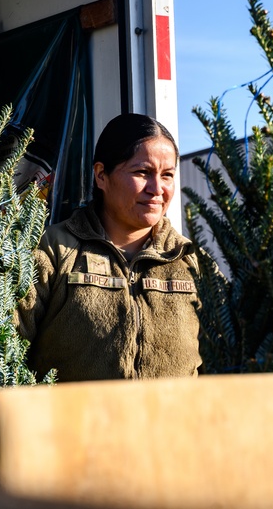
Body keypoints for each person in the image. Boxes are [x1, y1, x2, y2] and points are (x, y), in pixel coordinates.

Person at [17, 113, 203, 381]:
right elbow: (4, 350)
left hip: (175, 424)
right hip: (72, 424)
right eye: (143, 172)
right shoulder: (52, 251)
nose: (157, 189)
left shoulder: (190, 260)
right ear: (101, 175)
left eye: (167, 175)